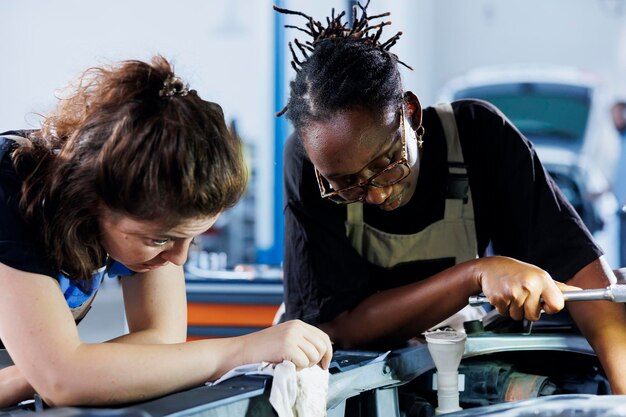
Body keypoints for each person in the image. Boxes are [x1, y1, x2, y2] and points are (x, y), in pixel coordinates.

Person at [275, 1, 626, 393]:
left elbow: (589, 283)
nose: (375, 193)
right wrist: (474, 275)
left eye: (387, 161)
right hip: (345, 378)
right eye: (344, 183)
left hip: (448, 359)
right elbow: (338, 326)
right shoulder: (306, 166)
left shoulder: (480, 137)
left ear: (409, 113)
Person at [0, 56, 332, 408]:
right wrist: (242, 349)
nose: (179, 257)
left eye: (193, 237)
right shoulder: (12, 195)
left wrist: (35, 373)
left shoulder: (146, 201)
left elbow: (162, 339)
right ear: (91, 199)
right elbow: (64, 381)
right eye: (159, 239)